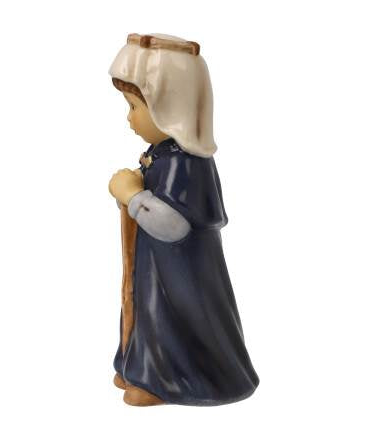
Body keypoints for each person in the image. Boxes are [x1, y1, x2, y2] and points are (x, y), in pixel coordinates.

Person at [108, 33, 259, 406]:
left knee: (172, 322)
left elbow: (174, 226)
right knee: (148, 311)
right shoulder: (162, 153)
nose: (129, 117)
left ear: (168, 108)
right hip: (157, 267)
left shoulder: (187, 164)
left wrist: (132, 196)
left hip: (183, 276)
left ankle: (171, 381)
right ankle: (139, 369)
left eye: (134, 106)